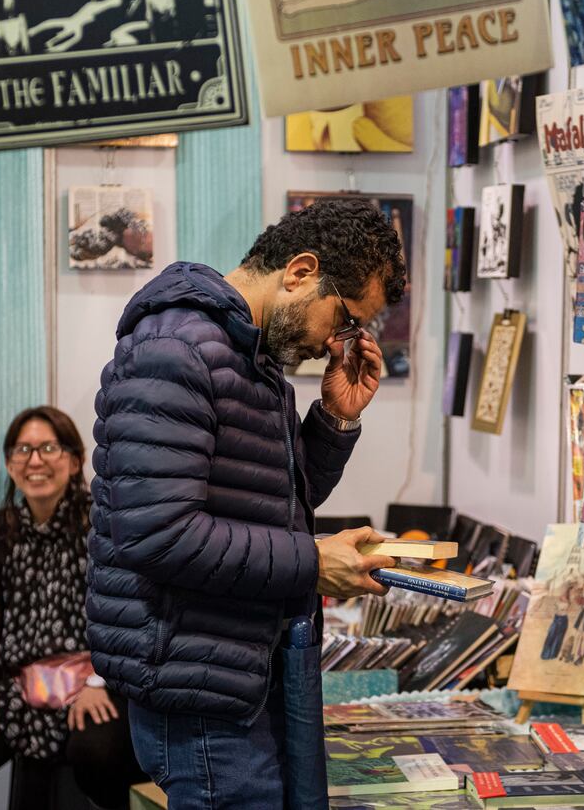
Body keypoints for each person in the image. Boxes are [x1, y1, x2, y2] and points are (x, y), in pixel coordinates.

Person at [87, 198, 407, 807]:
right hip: (199, 686)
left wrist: (335, 420)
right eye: (343, 320)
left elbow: (271, 505)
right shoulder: (176, 348)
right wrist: (313, 562)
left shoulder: (247, 355)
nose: (337, 343)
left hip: (234, 667)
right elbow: (159, 535)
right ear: (300, 272)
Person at [0, 407, 143, 807]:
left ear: (75, 460)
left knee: (98, 754)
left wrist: (97, 682)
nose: (35, 460)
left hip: (94, 679)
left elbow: (128, 613)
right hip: (19, 689)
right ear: (9, 463)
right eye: (23, 449)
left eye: (48, 447)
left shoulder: (102, 523)